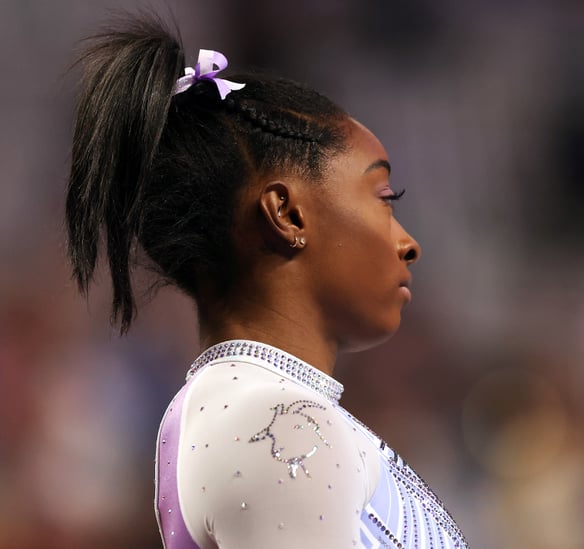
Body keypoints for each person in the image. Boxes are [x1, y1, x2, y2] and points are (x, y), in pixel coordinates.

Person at [65, 12, 468, 549]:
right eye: (383, 200)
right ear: (287, 214)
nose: (407, 242)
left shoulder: (240, 409)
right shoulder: (281, 427)